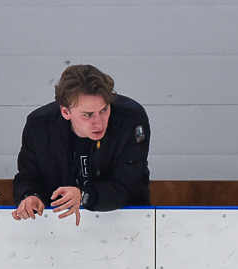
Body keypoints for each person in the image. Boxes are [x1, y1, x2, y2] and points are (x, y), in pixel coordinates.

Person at [12, 64, 150, 226]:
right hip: (57, 227)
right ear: (66, 112)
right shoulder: (39, 126)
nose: (98, 123)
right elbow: (28, 177)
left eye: (104, 110)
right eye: (88, 115)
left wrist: (84, 195)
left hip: (125, 223)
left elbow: (127, 187)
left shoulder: (130, 120)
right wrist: (30, 196)